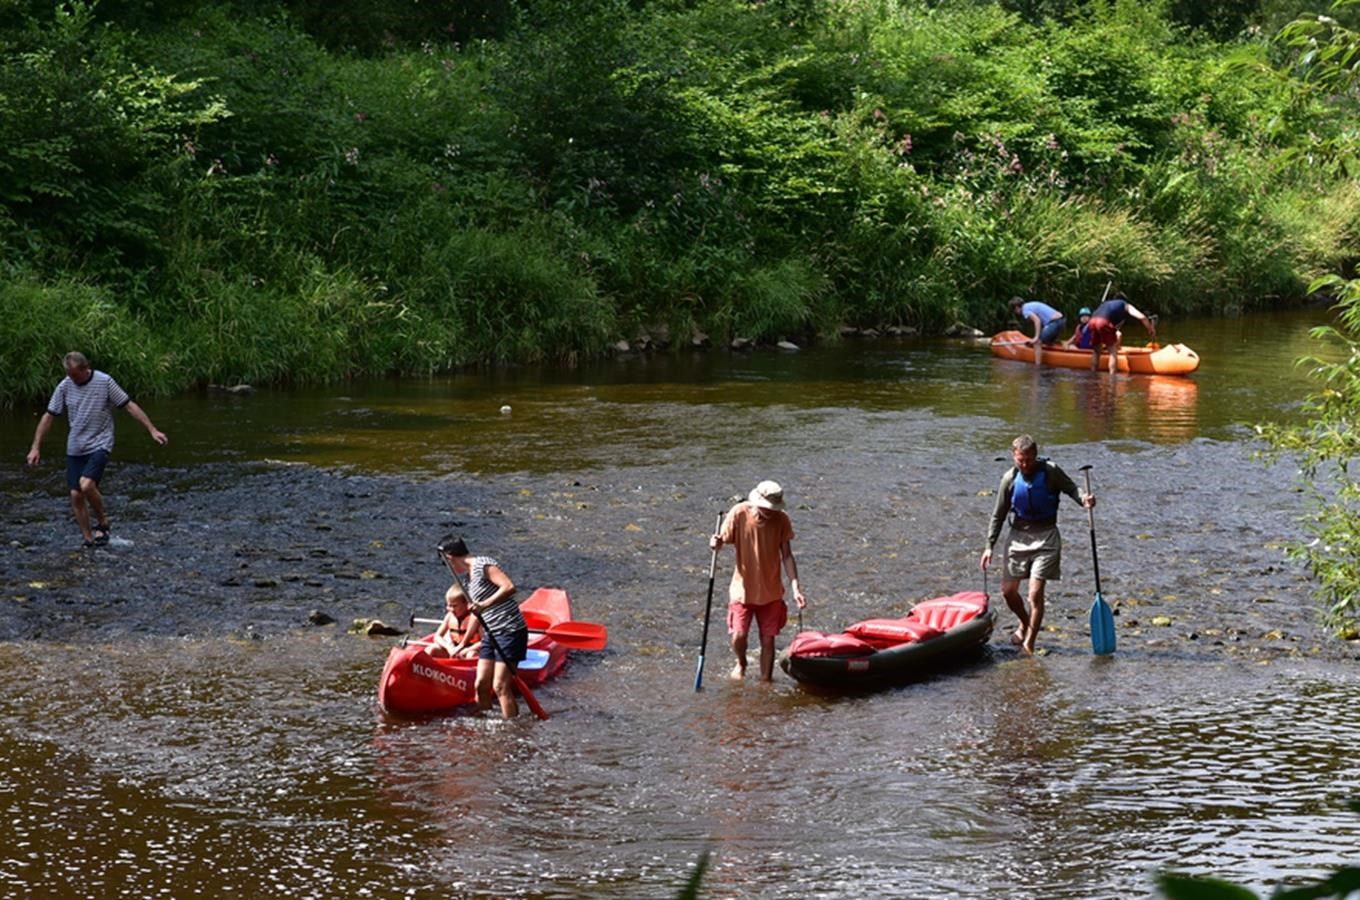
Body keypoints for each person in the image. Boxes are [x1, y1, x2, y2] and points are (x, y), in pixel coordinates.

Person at [25, 352, 168, 548]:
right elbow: (49, 417)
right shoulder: (65, 386)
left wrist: (152, 430)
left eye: (75, 375)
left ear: (86, 368)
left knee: (86, 485)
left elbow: (129, 406)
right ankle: (88, 540)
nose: (72, 379)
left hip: (100, 443)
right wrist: (35, 447)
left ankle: (103, 522)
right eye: (69, 375)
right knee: (75, 495)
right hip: (76, 446)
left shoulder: (104, 382)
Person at [979, 435, 1094, 654]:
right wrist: (989, 546)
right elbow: (998, 515)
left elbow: (1072, 489)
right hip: (1018, 537)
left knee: (1034, 594)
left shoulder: (1050, 471)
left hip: (1046, 537)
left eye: (1029, 460)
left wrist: (1084, 499)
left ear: (1036, 455)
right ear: (1014, 456)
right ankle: (1025, 623)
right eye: (1021, 460)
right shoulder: (1009, 478)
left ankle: (1029, 644)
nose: (1025, 465)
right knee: (1008, 592)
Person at [709, 480, 807, 682]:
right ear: (757, 501)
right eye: (767, 508)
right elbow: (721, 542)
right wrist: (715, 543)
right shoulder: (738, 513)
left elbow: (787, 556)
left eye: (774, 508)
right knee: (739, 636)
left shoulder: (782, 519)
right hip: (742, 590)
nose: (770, 512)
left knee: (768, 640)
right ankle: (741, 662)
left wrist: (795, 587)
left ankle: (765, 682)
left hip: (771, 592)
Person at [437, 535, 526, 718]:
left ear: (450, 557)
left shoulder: (482, 564)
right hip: (491, 633)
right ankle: (487, 723)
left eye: (446, 562)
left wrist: (484, 604)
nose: (449, 567)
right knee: (481, 685)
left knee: (500, 686)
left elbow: (509, 587)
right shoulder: (468, 581)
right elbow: (477, 616)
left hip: (509, 630)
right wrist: (463, 644)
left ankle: (512, 729)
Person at [1086, 292, 1156, 374]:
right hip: (1103, 321)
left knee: (1096, 351)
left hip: (1092, 321)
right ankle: (1112, 377)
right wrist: (1150, 329)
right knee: (1112, 351)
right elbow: (1142, 317)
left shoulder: (1106, 304)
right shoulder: (1125, 305)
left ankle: (1093, 373)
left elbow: (1113, 327)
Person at [1008, 296, 1065, 367]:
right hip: (1061, 321)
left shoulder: (1025, 310)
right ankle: (1053, 359)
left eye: (1015, 311)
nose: (1016, 313)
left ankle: (1037, 367)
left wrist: (1036, 337)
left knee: (1037, 343)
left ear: (1017, 308)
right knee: (1048, 343)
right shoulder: (1029, 305)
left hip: (1054, 322)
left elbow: (1037, 321)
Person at [427, 584, 481, 659]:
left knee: (471, 655)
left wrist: (466, 650)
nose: (451, 609)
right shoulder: (449, 616)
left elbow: (484, 642)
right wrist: (449, 648)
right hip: (453, 650)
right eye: (449, 606)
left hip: (469, 651)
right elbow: (437, 636)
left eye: (455, 606)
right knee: (431, 649)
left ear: (466, 604)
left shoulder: (475, 618)